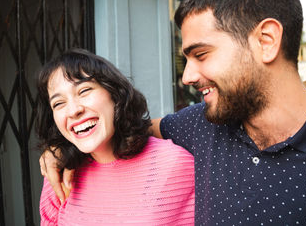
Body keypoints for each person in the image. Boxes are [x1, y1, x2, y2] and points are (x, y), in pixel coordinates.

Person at [40, 0, 306, 224]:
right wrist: (61, 148)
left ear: (266, 41)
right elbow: (128, 126)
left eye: (201, 54)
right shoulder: (201, 125)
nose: (187, 76)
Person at [36, 49, 194, 225]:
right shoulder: (58, 173)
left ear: (115, 93)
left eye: (84, 91)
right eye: (58, 103)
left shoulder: (174, 164)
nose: (73, 110)